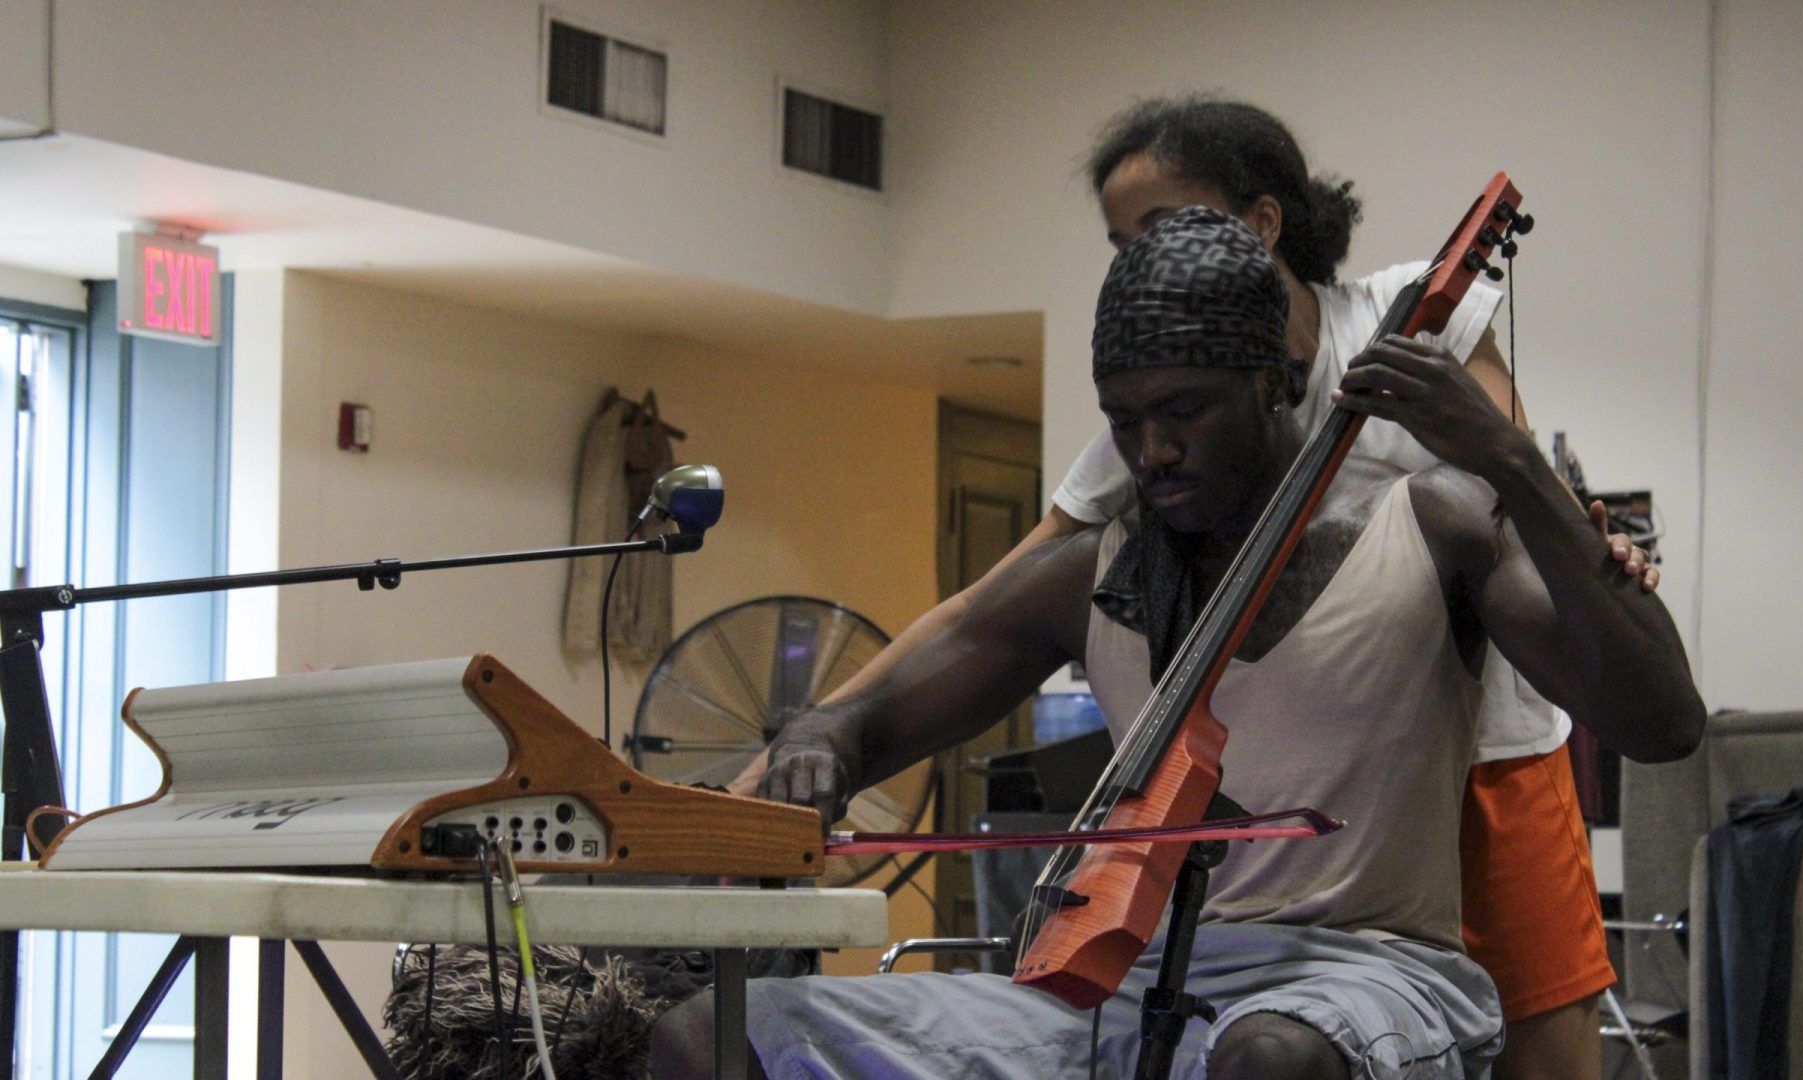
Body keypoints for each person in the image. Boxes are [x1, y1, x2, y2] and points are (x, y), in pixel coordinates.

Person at [661, 206, 1705, 1079]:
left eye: (1183, 411)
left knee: (1262, 1060)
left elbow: (1662, 722)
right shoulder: (1097, 569)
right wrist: (824, 742)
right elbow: (874, 713)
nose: (1151, 450)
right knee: (709, 1040)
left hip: (1365, 980)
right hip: (1116, 989)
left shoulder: (1431, 526)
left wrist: (1513, 463)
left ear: (1274, 380)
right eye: (1124, 420)